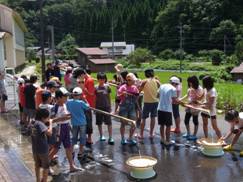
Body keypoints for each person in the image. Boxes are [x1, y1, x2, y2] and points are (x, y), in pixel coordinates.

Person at [52, 87, 81, 172]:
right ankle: (45, 164)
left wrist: (67, 117)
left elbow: (65, 116)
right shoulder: (55, 107)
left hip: (66, 127)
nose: (67, 98)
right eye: (65, 96)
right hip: (59, 128)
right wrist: (63, 118)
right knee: (56, 148)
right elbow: (51, 120)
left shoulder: (64, 104)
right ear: (58, 98)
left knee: (68, 148)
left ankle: (72, 166)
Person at [66, 87, 89, 159]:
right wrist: (85, 100)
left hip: (74, 123)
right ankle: (80, 152)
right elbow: (88, 107)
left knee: (74, 137)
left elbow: (67, 107)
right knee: (82, 137)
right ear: (80, 95)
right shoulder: (81, 102)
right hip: (82, 123)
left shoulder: (69, 102)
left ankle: (72, 151)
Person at [30, 108, 52, 182]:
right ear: (43, 118)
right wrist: (51, 123)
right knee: (45, 167)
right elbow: (49, 133)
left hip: (35, 149)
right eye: (47, 117)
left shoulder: (33, 122)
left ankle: (38, 180)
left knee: (37, 165)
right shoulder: (40, 124)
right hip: (43, 149)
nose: (48, 119)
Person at [158, 77, 180, 146]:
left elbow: (157, 95)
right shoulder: (173, 89)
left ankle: (162, 139)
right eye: (177, 84)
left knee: (162, 125)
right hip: (167, 110)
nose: (177, 86)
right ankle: (167, 141)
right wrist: (181, 103)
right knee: (168, 126)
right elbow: (174, 101)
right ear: (175, 83)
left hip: (160, 108)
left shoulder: (162, 86)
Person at [180, 76, 204, 140]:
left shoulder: (199, 89)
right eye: (189, 82)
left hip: (195, 107)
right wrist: (180, 99)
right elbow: (187, 95)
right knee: (186, 120)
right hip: (189, 105)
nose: (190, 84)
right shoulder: (191, 87)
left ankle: (194, 135)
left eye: (190, 82)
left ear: (194, 82)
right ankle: (188, 133)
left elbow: (199, 98)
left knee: (195, 120)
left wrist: (194, 92)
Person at [118, 73, 138, 145]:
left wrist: (138, 109)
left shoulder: (135, 88)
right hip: (124, 107)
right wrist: (122, 94)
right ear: (129, 80)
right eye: (133, 80)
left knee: (133, 123)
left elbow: (136, 98)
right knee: (123, 123)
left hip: (132, 107)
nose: (134, 82)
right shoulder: (123, 87)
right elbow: (118, 96)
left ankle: (130, 138)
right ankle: (123, 138)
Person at [139, 69, 160, 139]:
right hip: (155, 101)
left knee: (143, 118)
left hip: (147, 102)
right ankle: (151, 134)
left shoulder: (144, 81)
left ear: (146, 74)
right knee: (153, 117)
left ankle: (141, 135)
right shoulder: (157, 81)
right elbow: (161, 89)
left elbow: (139, 90)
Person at [77, 68, 95, 145]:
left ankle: (89, 138)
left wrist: (83, 88)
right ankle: (84, 136)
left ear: (82, 74)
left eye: (79, 76)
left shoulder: (89, 80)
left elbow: (91, 93)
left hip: (88, 104)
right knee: (82, 120)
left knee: (88, 121)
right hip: (82, 102)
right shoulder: (84, 80)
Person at [95, 72, 114, 144]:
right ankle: (101, 135)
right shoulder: (95, 87)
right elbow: (94, 97)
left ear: (105, 79)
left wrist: (110, 107)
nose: (101, 81)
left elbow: (109, 97)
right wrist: (94, 107)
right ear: (98, 79)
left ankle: (110, 137)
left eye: (103, 79)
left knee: (109, 122)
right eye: (100, 79)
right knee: (99, 122)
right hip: (98, 107)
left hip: (106, 107)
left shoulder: (107, 87)